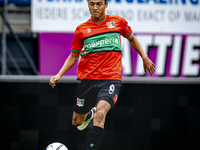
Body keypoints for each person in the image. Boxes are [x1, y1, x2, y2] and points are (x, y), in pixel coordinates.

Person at [49, 0, 156, 149]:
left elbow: (132, 38)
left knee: (101, 113)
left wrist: (144, 57)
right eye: (91, 4)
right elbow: (73, 56)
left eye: (99, 4)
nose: (94, 8)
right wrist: (59, 74)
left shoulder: (118, 22)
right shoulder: (81, 30)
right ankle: (88, 114)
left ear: (106, 5)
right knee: (77, 122)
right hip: (88, 81)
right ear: (87, 4)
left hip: (111, 79)